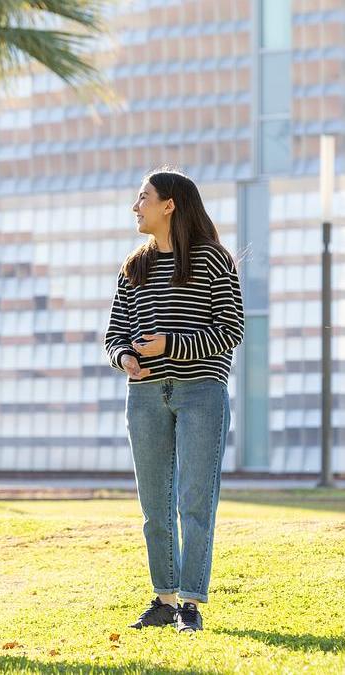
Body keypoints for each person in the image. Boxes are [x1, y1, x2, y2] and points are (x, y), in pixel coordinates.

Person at [104, 169, 245, 633]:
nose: (135, 205)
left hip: (201, 392)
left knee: (194, 501)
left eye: (142, 196)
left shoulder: (213, 261)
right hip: (144, 395)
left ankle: (190, 603)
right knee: (154, 504)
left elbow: (230, 332)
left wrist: (170, 345)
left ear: (169, 205)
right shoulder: (134, 266)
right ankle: (163, 600)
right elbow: (114, 334)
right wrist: (124, 355)